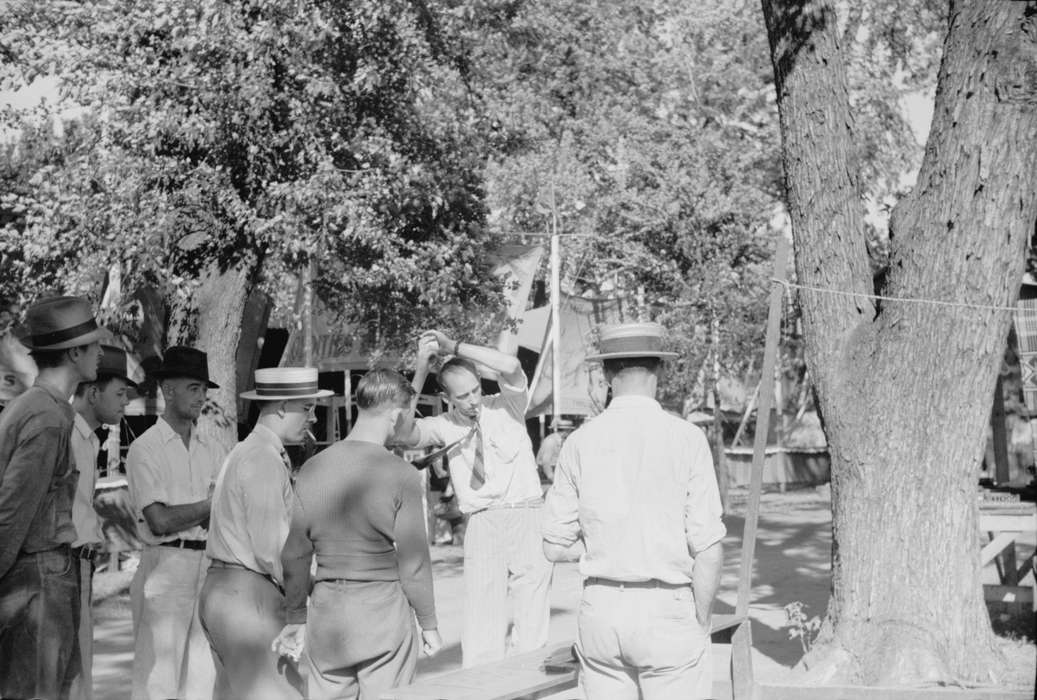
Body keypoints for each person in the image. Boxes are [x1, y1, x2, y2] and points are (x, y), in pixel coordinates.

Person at [541, 322, 726, 700]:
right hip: (665, 603)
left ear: (607, 374)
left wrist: (606, 545)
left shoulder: (578, 443)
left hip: (602, 607)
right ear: (659, 370)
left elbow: (553, 547)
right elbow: (708, 549)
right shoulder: (687, 439)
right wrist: (701, 619)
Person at [273, 369, 442, 700]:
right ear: (395, 414)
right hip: (383, 615)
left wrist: (296, 615)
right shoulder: (402, 475)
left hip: (328, 616)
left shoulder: (311, 469)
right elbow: (414, 564)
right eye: (411, 414)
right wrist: (429, 623)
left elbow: (294, 553)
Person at [404, 330, 553, 668]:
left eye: (475, 390)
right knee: (483, 625)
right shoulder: (442, 425)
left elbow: (510, 364)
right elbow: (400, 429)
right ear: (447, 398)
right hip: (483, 521)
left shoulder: (508, 405)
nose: (472, 400)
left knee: (532, 622)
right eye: (463, 396)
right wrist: (421, 368)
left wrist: (452, 346)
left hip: (526, 513)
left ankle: (527, 689)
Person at [198, 367, 332, 700]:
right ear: (282, 407)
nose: (312, 418)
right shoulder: (262, 459)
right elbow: (274, 549)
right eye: (307, 408)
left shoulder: (252, 452)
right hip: (248, 597)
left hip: (229, 592)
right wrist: (315, 589)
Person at [0, 296, 104, 700]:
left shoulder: (38, 407)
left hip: (40, 579)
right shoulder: (46, 417)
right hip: (37, 581)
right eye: (93, 345)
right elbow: (11, 513)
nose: (99, 353)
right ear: (74, 352)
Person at [126, 346, 228, 700]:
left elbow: (224, 510)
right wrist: (208, 506)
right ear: (168, 390)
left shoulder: (212, 447)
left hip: (207, 565)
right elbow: (159, 521)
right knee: (158, 681)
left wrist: (203, 509)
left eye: (204, 389)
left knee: (201, 680)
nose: (201, 397)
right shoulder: (145, 448)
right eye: (193, 388)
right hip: (166, 566)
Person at [69, 345, 137, 700]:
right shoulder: (65, 434)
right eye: (121, 393)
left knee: (81, 669)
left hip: (79, 566)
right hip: (61, 566)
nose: (126, 402)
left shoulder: (88, 438)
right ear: (93, 392)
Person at [535, 418, 575, 484]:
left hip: (555, 471)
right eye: (570, 431)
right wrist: (552, 479)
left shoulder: (562, 441)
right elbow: (546, 462)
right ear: (567, 431)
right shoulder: (551, 441)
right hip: (545, 475)